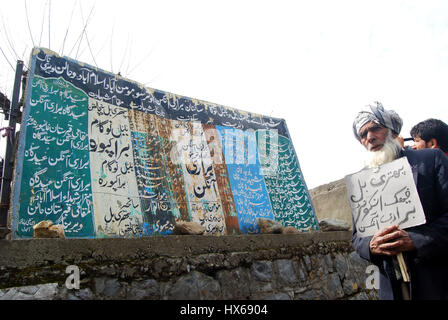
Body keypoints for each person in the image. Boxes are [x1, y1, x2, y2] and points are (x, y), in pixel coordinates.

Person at [351, 101, 448, 300]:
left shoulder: (430, 160)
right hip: (392, 287)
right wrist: (371, 245)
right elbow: (357, 238)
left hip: (436, 280)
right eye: (363, 134)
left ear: (392, 130)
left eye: (375, 128)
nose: (369, 137)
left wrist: (416, 240)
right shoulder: (361, 182)